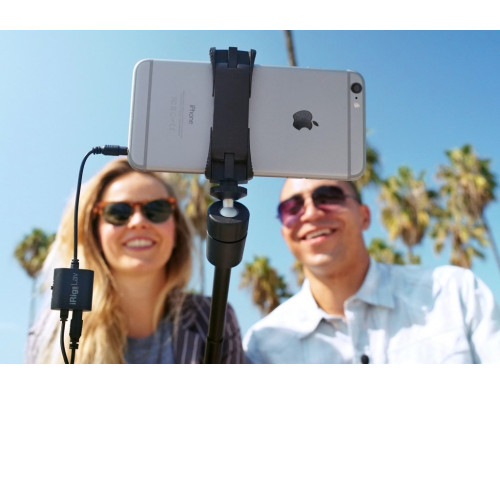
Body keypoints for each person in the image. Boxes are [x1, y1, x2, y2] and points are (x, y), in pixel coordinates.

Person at [243, 177, 500, 363]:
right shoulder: (262, 345)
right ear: (284, 233)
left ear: (364, 216)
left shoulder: (454, 294)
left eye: (328, 197)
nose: (310, 213)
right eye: (291, 208)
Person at [26, 158, 245, 363]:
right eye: (118, 212)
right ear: (95, 232)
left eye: (156, 209)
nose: (138, 222)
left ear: (176, 230)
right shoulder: (51, 331)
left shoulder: (215, 320)